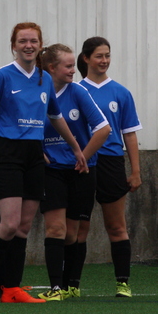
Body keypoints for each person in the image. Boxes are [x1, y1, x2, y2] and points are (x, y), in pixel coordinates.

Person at [0, 22, 87, 304]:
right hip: (7, 153)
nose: (28, 46)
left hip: (34, 155)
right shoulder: (2, 76)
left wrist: (76, 149)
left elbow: (55, 117)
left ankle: (12, 287)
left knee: (24, 227)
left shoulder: (45, 78)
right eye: (23, 41)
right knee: (9, 224)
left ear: (40, 45)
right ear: (13, 45)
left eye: (33, 41)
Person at [38, 44, 110, 301]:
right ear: (51, 68)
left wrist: (83, 157)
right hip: (51, 171)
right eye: (68, 66)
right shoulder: (37, 92)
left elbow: (103, 129)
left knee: (73, 233)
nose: (73, 70)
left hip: (81, 171)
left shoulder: (78, 91)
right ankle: (56, 287)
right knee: (55, 229)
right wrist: (36, 150)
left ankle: (71, 285)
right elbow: (22, 125)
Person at [78, 37, 142, 298]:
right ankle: (71, 285)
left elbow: (130, 134)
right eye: (98, 56)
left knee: (116, 226)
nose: (104, 61)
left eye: (107, 55)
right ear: (86, 58)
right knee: (79, 228)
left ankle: (123, 284)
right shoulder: (75, 91)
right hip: (82, 163)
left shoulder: (121, 93)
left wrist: (135, 171)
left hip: (111, 162)